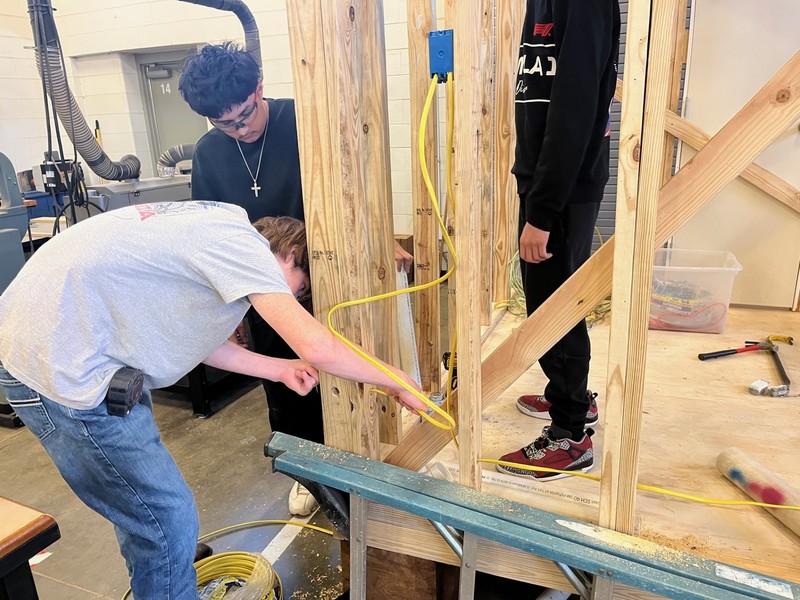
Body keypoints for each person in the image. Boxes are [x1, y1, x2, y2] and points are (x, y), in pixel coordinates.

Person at [0, 201, 424, 599]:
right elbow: (320, 348)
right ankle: (168, 574)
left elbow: (195, 338)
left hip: (51, 344)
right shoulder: (246, 250)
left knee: (144, 510)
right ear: (291, 252)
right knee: (166, 516)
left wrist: (278, 368)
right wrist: (394, 379)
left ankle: (166, 574)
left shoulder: (218, 229)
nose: (290, 300)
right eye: (299, 289)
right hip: (58, 369)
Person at [178, 43, 413, 515]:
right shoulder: (208, 154)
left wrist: (379, 235)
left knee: (345, 363)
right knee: (285, 378)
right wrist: (230, 312)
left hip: (331, 267)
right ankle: (307, 471)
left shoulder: (305, 121)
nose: (239, 130)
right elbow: (208, 232)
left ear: (259, 89)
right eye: (225, 124)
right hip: (263, 285)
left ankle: (362, 457)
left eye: (245, 114)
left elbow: (355, 182)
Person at [496, 0, 620, 481]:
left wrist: (543, 212)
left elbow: (574, 110)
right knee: (547, 305)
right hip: (545, 184)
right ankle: (570, 397)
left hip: (561, 192)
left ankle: (570, 435)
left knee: (555, 311)